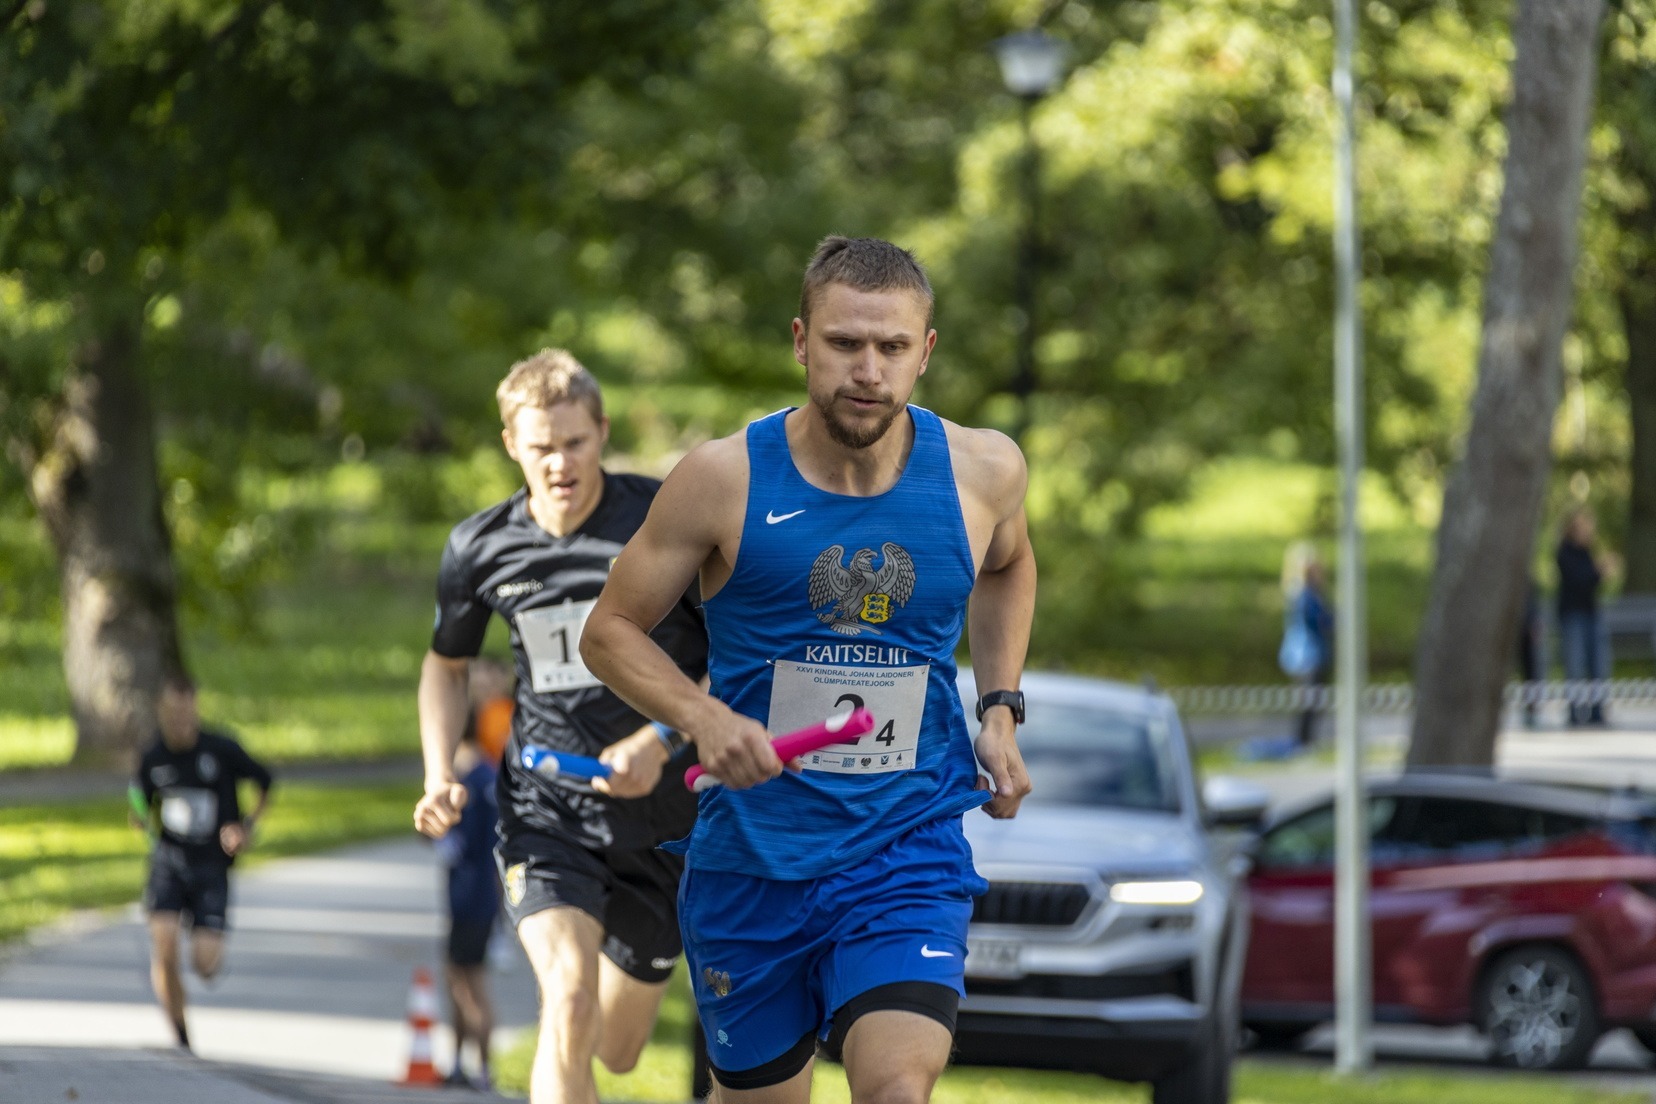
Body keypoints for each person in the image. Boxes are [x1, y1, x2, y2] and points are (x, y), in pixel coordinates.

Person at [581, 235, 1037, 1104]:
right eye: (844, 343)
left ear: (925, 352)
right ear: (801, 342)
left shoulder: (984, 471)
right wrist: (705, 717)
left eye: (892, 347)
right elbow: (609, 631)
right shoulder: (722, 479)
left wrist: (1000, 707)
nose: (868, 370)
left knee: (897, 1089)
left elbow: (1010, 567)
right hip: (752, 863)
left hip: (906, 846)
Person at [412, 349, 710, 1104]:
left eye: (575, 442)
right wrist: (439, 772)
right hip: (546, 811)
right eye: (542, 446)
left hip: (661, 823)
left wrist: (661, 740)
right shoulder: (481, 546)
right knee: (568, 999)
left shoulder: (662, 521)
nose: (561, 463)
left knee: (616, 1049)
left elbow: (736, 657)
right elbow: (446, 665)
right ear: (511, 444)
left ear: (602, 432)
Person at [130, 673, 274, 1052]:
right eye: (172, 715)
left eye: (186, 714)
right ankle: (180, 1035)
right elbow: (138, 796)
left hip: (211, 866)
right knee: (164, 946)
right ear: (161, 712)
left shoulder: (221, 750)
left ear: (195, 710)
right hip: (169, 862)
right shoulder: (153, 756)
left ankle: (205, 955)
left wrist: (245, 827)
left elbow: (265, 781)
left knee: (205, 964)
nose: (179, 722)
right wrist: (141, 819)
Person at [435, 711, 501, 1089]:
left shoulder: (467, 783)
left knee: (467, 982)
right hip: (482, 894)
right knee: (458, 976)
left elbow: (457, 844)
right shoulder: (488, 774)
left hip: (468, 894)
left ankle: (483, 1066)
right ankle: (461, 1062)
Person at [1556, 507, 1616, 726]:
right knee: (1575, 663)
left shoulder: (1587, 552)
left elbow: (1591, 583)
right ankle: (1575, 711)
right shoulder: (1565, 553)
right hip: (1573, 615)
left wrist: (1600, 573)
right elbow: (1578, 580)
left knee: (1598, 662)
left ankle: (1597, 711)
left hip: (1591, 612)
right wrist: (1598, 571)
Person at [1280, 542, 1333, 748]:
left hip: (1306, 654)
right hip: (1307, 655)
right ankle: (1303, 742)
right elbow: (1320, 621)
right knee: (1309, 701)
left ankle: (1305, 740)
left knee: (1309, 701)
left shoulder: (1303, 592)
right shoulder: (1304, 594)